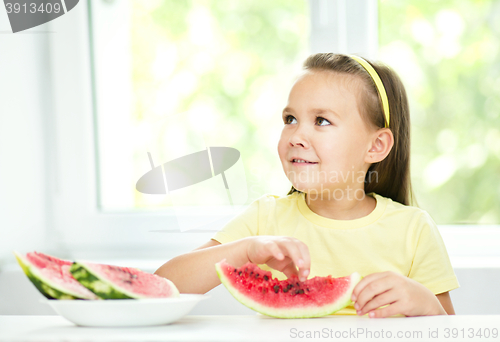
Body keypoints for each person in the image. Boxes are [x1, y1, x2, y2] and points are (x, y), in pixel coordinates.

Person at [155, 53, 459, 318]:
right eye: (290, 118)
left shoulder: (413, 229)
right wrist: (245, 251)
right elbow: (163, 287)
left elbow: (449, 326)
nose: (295, 136)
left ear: (376, 145)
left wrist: (426, 303)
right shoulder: (266, 218)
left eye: (322, 121)